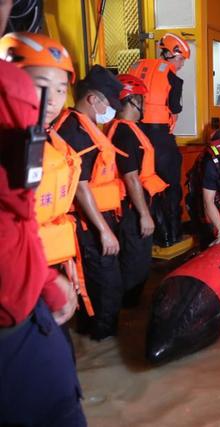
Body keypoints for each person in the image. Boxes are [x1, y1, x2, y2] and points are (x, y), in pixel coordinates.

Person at [0, 19, 85, 427]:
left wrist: (48, 280)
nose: (51, 99)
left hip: (41, 281)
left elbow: (21, 223)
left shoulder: (45, 142)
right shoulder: (13, 142)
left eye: (60, 88)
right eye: (39, 85)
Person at [54, 65, 126, 341]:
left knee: (104, 283)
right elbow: (81, 187)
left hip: (98, 216)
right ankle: (102, 343)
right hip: (88, 222)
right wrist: (103, 230)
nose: (111, 111)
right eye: (108, 103)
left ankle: (94, 338)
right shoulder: (75, 130)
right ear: (93, 99)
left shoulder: (84, 125)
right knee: (105, 285)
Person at [105, 74, 168, 307]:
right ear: (132, 101)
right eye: (141, 99)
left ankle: (128, 306)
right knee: (136, 260)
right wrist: (144, 214)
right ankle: (129, 309)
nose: (143, 104)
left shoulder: (124, 129)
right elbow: (131, 178)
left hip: (132, 205)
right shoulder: (125, 133)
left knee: (134, 259)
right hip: (132, 209)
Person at [129, 32, 190, 247]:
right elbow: (175, 107)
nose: (182, 64)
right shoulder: (173, 77)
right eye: (182, 59)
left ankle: (153, 236)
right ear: (173, 55)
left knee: (146, 185)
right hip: (160, 138)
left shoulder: (136, 67)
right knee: (171, 186)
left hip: (135, 134)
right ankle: (172, 236)